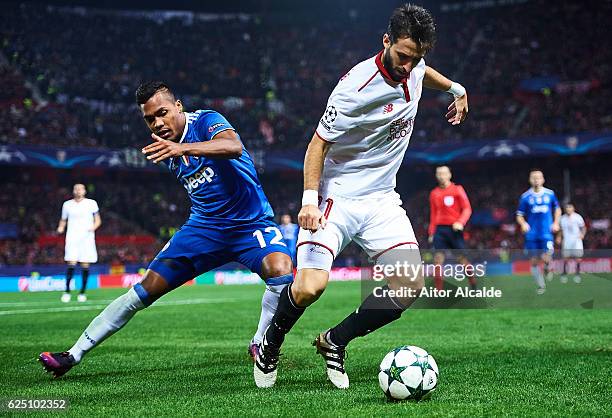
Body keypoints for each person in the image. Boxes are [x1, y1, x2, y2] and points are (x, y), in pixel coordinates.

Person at [254, 4, 469, 389]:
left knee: (409, 285)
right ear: (386, 41)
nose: (408, 65)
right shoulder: (355, 88)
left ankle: (335, 340)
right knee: (308, 288)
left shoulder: (415, 65)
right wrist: (308, 200)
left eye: (416, 57)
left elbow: (423, 75)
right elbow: (317, 145)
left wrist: (456, 88)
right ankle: (270, 342)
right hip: (338, 197)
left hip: (382, 199)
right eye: (403, 55)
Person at [39, 81, 293, 378]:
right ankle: (72, 355)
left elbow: (233, 146)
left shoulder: (206, 122)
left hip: (250, 224)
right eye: (150, 119)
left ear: (178, 107)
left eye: (162, 113)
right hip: (203, 230)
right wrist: (176, 150)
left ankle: (259, 342)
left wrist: (181, 147)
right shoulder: (167, 151)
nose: (158, 123)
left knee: (281, 271)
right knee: (142, 290)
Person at [428, 165, 475, 290]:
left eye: (444, 173)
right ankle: (439, 291)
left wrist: (460, 222)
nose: (441, 176)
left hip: (454, 230)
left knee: (462, 260)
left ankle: (473, 283)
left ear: (449, 175)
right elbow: (433, 214)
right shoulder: (434, 193)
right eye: (439, 174)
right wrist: (432, 232)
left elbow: (467, 209)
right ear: (436, 176)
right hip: (439, 231)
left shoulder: (457, 189)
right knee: (437, 260)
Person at [516, 169, 561, 294]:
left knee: (547, 257)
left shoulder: (550, 194)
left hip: (546, 233)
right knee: (534, 261)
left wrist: (556, 223)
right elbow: (519, 215)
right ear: (530, 180)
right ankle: (541, 285)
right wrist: (523, 223)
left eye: (538, 177)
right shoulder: (525, 197)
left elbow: (557, 209)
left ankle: (547, 267)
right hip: (532, 235)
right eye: (534, 178)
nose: (536, 180)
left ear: (543, 179)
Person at [57, 183, 101, 303]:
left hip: (87, 238)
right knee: (71, 263)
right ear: (73, 191)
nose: (78, 191)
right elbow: (63, 220)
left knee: (85, 265)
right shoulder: (67, 205)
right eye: (76, 189)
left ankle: (82, 292)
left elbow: (98, 220)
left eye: (80, 189)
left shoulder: (91, 203)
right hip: (72, 237)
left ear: (85, 191)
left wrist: (93, 227)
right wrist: (60, 228)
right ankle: (67, 291)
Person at [557, 203, 586, 284]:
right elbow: (561, 230)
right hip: (566, 240)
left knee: (578, 258)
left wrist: (582, 234)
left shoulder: (578, 217)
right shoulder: (562, 218)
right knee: (566, 258)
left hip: (576, 240)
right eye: (567, 208)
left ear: (573, 209)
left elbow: (583, 227)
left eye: (570, 207)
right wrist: (559, 237)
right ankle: (564, 274)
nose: (568, 209)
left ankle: (577, 274)